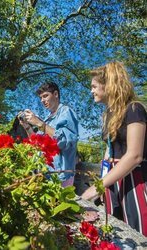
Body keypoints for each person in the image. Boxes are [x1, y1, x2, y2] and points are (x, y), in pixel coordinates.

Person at [81, 61, 147, 236]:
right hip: (113, 179)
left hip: (135, 179)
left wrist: (96, 187)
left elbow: (135, 155)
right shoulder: (107, 116)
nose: (91, 91)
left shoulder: (134, 109)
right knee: (115, 231)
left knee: (138, 230)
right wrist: (103, 183)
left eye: (94, 86)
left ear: (109, 85)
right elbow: (108, 152)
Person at [19, 82, 79, 187]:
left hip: (60, 177)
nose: (42, 100)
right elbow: (36, 142)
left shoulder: (66, 112)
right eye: (41, 98)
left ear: (55, 94)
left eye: (45, 96)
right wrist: (27, 127)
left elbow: (65, 141)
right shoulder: (48, 118)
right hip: (44, 174)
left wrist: (39, 123)